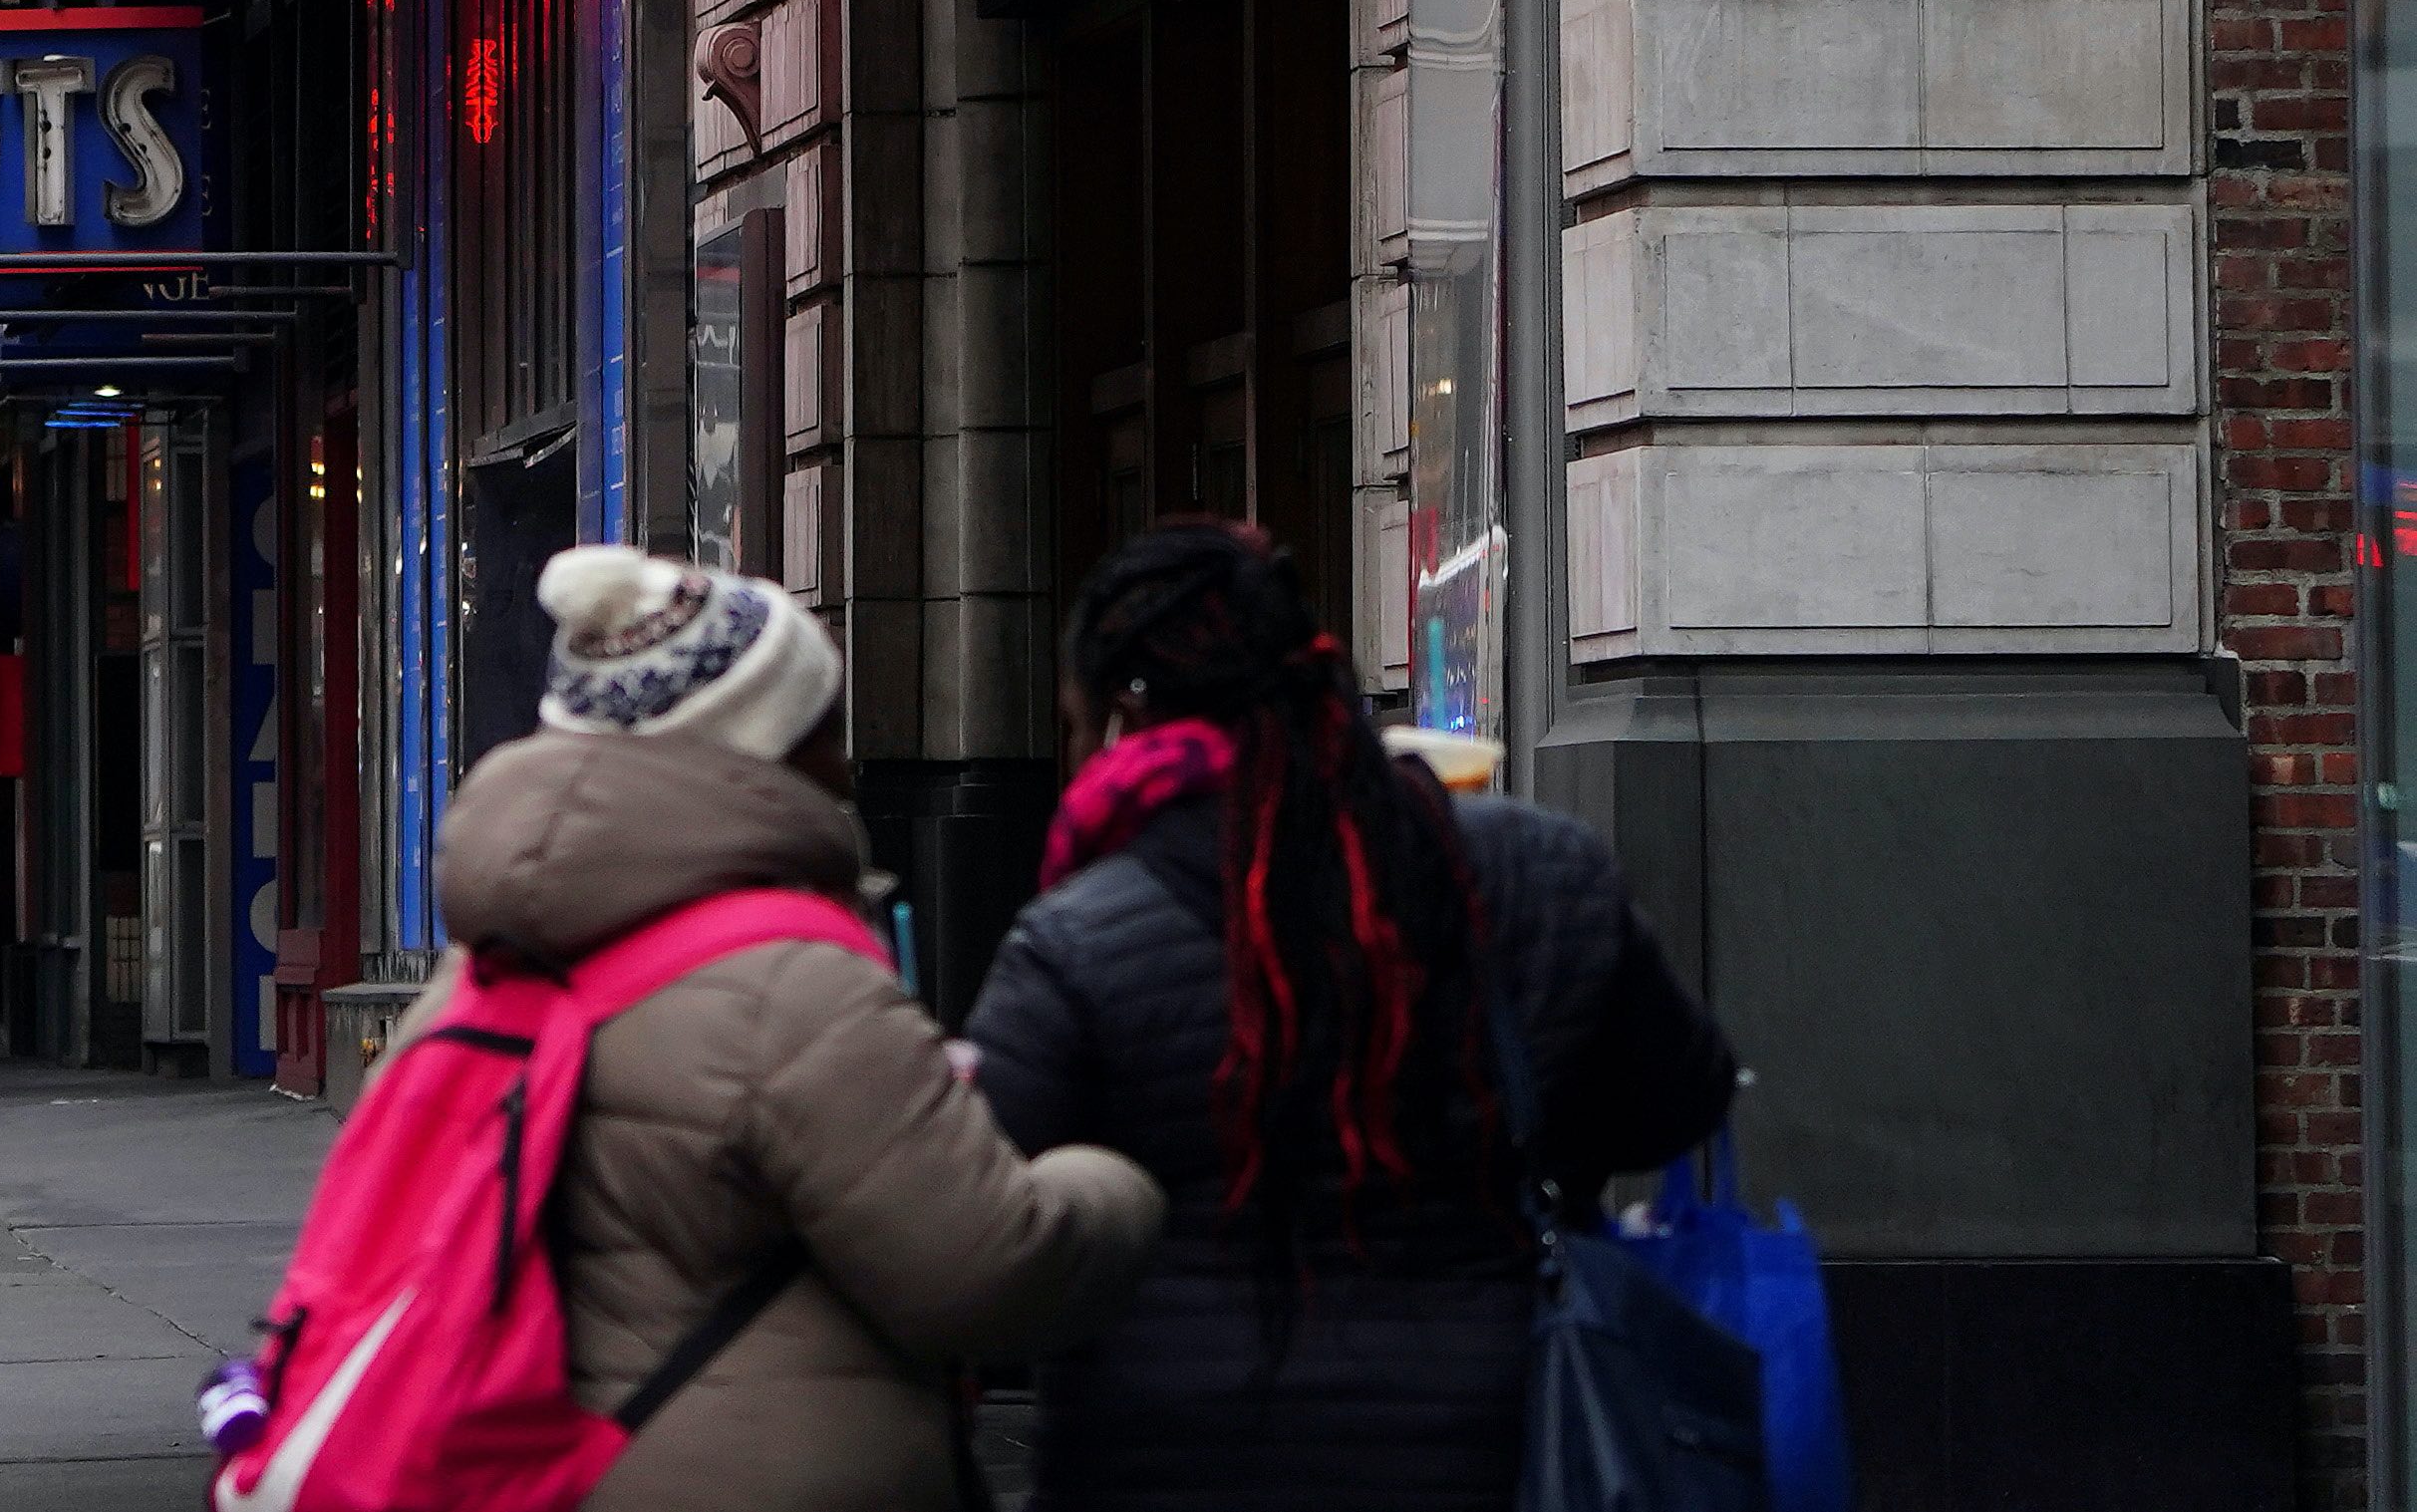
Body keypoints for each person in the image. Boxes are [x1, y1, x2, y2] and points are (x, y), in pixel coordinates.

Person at [965, 520, 1742, 1511]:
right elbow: (1675, 1097)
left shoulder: (1073, 942)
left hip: (1166, 1454)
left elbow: (981, 1233)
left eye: (1071, 720)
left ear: (1123, 712)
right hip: (1488, 1439)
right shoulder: (1539, 868)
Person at [395, 547, 1163, 1512]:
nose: (847, 756)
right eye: (826, 718)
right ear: (764, 738)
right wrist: (1118, 1180)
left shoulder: (480, 971)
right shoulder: (792, 986)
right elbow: (982, 1268)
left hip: (546, 1466)